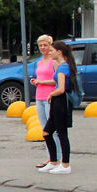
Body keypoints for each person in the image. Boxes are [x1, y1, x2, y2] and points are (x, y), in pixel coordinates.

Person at [38, 39, 79, 175]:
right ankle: (53, 161)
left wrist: (51, 94)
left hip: (60, 101)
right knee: (47, 132)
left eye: (51, 51)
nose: (49, 53)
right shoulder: (64, 66)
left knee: (62, 133)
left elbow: (61, 89)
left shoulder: (63, 67)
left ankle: (65, 165)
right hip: (58, 101)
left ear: (59, 52)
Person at [29, 34, 55, 167]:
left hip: (50, 97)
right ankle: (49, 157)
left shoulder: (53, 61)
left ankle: (57, 158)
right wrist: (36, 82)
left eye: (45, 45)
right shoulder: (40, 61)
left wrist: (42, 81)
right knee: (44, 129)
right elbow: (41, 78)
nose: (43, 47)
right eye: (40, 45)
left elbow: (57, 80)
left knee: (52, 130)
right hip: (39, 97)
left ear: (51, 45)